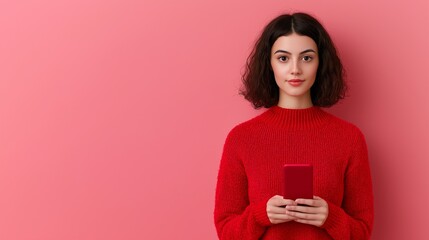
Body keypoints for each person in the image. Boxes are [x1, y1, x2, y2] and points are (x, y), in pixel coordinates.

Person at [214, 12, 374, 240]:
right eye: (283, 58)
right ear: (269, 64)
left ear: (321, 63)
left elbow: (363, 232)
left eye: (306, 58)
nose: (295, 69)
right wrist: (260, 216)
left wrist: (331, 218)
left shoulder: (350, 138)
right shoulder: (241, 138)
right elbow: (226, 232)